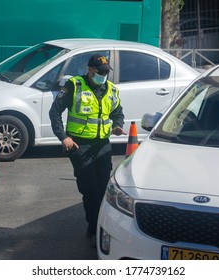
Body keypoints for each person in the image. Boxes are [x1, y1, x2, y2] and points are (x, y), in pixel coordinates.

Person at [49, 54, 126, 247]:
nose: (104, 75)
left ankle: (101, 225)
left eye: (107, 72)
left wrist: (117, 125)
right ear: (90, 69)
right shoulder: (74, 86)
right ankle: (93, 229)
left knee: (103, 188)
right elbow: (55, 111)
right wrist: (63, 137)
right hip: (79, 145)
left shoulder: (112, 90)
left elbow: (118, 112)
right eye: (101, 72)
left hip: (102, 144)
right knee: (90, 190)